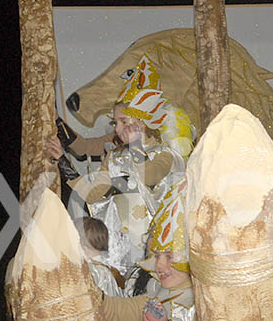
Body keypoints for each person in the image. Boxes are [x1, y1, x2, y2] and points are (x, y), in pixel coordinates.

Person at [46, 54, 193, 280]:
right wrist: (63, 161)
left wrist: (135, 145)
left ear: (141, 121)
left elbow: (149, 177)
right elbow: (93, 194)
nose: (117, 128)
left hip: (157, 253)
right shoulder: (115, 157)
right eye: (116, 122)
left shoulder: (167, 155)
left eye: (124, 121)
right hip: (119, 253)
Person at [99, 179, 195, 321]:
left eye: (170, 256)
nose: (159, 265)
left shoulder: (203, 305)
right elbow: (116, 309)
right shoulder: (157, 289)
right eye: (156, 256)